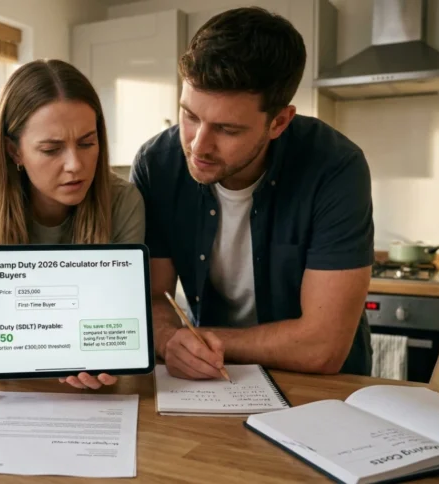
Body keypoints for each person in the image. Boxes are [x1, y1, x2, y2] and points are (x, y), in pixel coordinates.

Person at [129, 7, 375, 381]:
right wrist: (168, 340)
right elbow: (152, 297)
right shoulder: (157, 165)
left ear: (279, 122)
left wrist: (198, 340)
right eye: (190, 116)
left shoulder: (336, 167)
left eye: (227, 129)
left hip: (321, 387)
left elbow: (323, 347)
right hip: (211, 378)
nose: (198, 145)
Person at [0, 59, 145, 390]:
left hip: (97, 402)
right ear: (13, 151)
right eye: (51, 149)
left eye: (88, 143)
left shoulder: (123, 201)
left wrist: (110, 357)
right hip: (7, 398)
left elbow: (117, 332)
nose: (75, 165)